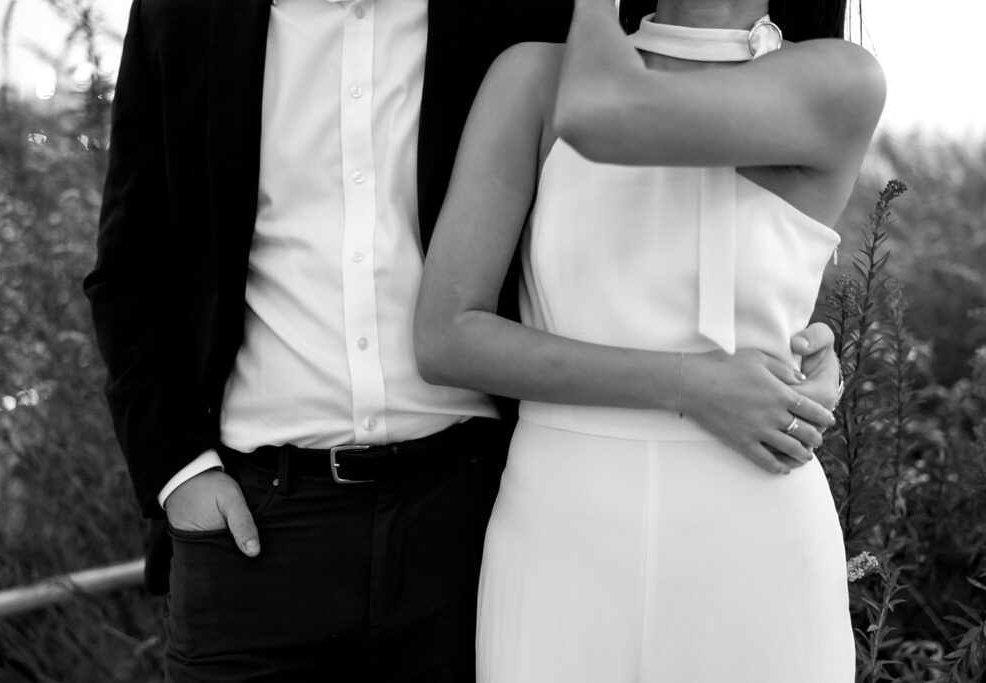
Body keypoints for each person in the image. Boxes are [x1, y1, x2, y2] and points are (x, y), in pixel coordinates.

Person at [84, 0, 842, 680]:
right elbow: (131, 266)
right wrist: (181, 475)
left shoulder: (507, 19)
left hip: (462, 519)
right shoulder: (185, 16)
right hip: (259, 529)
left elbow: (697, 189)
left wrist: (797, 340)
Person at [415, 0, 884, 680]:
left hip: (756, 534)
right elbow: (445, 337)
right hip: (558, 536)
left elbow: (608, 110)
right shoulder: (534, 81)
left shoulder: (839, 80)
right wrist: (689, 383)